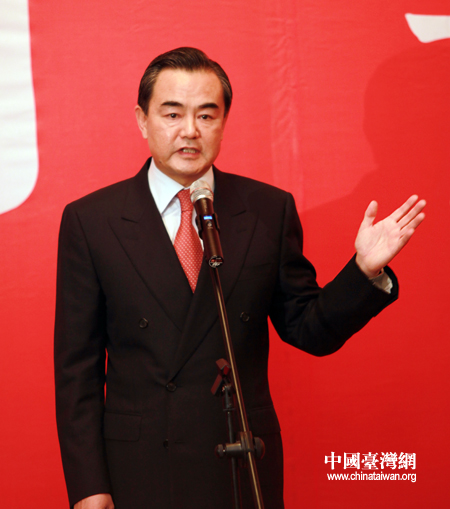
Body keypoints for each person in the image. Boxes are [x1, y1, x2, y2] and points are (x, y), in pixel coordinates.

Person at [54, 47, 425, 509]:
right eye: (173, 113)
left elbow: (308, 329)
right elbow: (77, 371)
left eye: (206, 115)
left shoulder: (267, 210)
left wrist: (363, 271)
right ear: (142, 120)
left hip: (239, 462)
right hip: (141, 470)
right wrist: (89, 487)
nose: (190, 130)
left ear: (224, 122)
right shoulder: (93, 221)